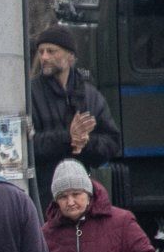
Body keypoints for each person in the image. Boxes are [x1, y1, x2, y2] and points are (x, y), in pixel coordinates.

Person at [29, 25, 121, 203]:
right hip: (45, 197)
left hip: (84, 195)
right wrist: (68, 137)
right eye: (41, 52)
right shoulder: (30, 94)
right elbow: (28, 146)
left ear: (70, 56)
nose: (44, 57)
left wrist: (86, 142)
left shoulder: (91, 95)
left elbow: (112, 143)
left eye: (51, 51)